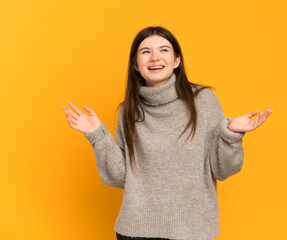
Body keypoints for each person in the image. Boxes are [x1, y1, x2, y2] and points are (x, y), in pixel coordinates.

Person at [61, 26, 273, 240]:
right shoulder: (128, 110)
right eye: (145, 52)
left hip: (191, 230)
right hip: (135, 231)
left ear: (176, 60)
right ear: (135, 64)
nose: (155, 58)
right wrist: (97, 134)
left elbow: (222, 170)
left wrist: (231, 135)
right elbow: (120, 177)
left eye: (163, 50)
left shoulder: (203, 101)